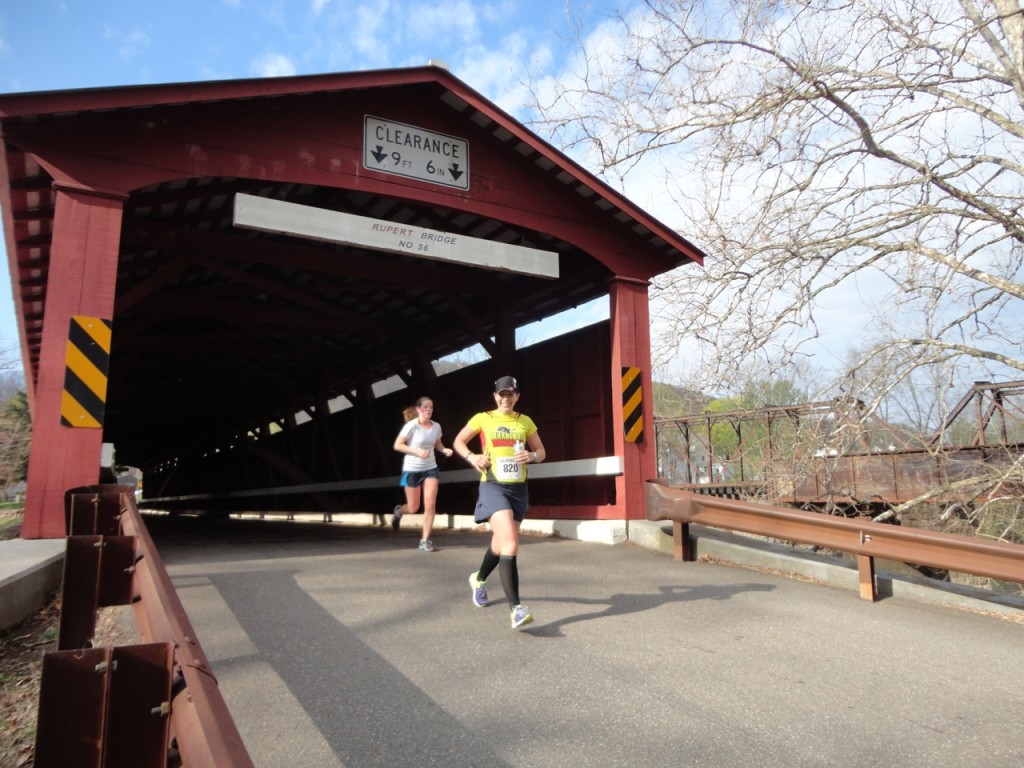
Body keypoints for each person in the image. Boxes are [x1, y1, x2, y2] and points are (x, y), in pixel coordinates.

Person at [452, 375, 547, 629]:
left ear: (517, 396)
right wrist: (472, 457)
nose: (506, 398)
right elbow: (459, 442)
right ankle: (516, 609)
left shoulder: (524, 421)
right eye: (501, 394)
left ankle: (479, 579)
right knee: (512, 542)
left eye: (510, 394)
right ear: (495, 396)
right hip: (493, 486)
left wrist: (532, 455)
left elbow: (542, 451)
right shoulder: (483, 418)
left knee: (501, 543)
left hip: (519, 489)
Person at [392, 397, 453, 552]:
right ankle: (399, 511)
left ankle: (425, 540)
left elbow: (438, 444)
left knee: (430, 502)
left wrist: (444, 449)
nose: (429, 410)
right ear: (418, 409)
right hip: (412, 469)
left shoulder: (436, 426)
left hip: (430, 468)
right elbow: (398, 445)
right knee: (413, 507)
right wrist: (416, 451)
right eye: (425, 407)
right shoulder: (411, 426)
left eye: (431, 408)